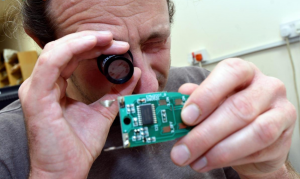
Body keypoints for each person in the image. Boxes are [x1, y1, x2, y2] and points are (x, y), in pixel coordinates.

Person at [0, 0, 299, 178]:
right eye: (107, 59)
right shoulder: (6, 145)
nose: (146, 87)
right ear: (43, 43)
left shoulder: (202, 89)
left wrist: (271, 171)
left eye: (154, 43)